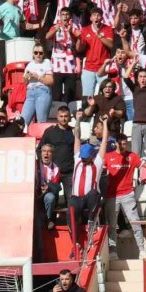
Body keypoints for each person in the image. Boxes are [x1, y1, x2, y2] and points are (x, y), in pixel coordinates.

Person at [103, 132, 146, 259]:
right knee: (112, 225)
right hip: (112, 195)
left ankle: (142, 250)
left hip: (127, 195)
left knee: (135, 223)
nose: (124, 146)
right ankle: (113, 252)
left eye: (125, 144)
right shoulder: (108, 157)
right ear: (115, 144)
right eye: (121, 144)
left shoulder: (132, 156)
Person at [68, 118, 108, 255]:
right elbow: (77, 136)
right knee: (71, 206)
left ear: (92, 155)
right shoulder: (78, 158)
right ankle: (75, 242)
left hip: (90, 197)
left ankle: (92, 220)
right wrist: (78, 120)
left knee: (93, 193)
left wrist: (106, 124)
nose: (84, 160)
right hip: (77, 198)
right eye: (83, 157)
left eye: (86, 157)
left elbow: (104, 142)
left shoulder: (97, 161)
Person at [41, 106, 76, 206]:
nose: (63, 118)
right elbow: (40, 149)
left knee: (71, 201)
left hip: (69, 171)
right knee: (52, 199)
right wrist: (45, 165)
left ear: (69, 117)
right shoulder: (50, 131)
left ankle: (71, 222)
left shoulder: (73, 131)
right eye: (61, 116)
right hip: (52, 172)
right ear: (57, 117)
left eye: (66, 116)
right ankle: (51, 221)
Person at [78, 6, 114, 97]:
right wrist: (78, 38)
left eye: (99, 15)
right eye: (94, 15)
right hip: (88, 68)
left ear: (102, 18)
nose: (96, 17)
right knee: (87, 97)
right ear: (91, 18)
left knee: (105, 96)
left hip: (103, 68)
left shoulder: (108, 29)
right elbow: (79, 49)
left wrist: (100, 35)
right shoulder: (85, 30)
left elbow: (111, 45)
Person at [0, 0, 22, 90]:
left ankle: (15, 93)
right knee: (4, 69)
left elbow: (25, 25)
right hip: (4, 42)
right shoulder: (2, 8)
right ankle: (4, 97)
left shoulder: (18, 9)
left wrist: (38, 25)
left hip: (16, 42)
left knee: (16, 69)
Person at [22, 45, 54, 125]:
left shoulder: (46, 62)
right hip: (30, 93)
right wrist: (26, 77)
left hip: (42, 91)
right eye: (36, 53)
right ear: (33, 54)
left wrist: (38, 77)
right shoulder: (29, 64)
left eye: (40, 53)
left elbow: (51, 81)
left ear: (43, 54)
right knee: (23, 121)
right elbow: (25, 82)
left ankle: (42, 137)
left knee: (41, 121)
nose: (38, 55)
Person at [38, 143, 61, 231]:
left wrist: (48, 188)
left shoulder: (56, 168)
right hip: (35, 192)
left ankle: (48, 220)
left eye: (49, 151)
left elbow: (56, 186)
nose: (46, 153)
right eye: (44, 151)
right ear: (41, 153)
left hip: (47, 193)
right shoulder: (35, 165)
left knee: (51, 197)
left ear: (52, 154)